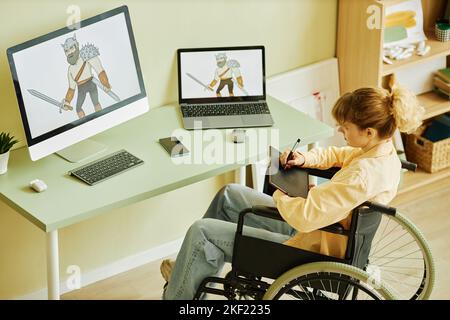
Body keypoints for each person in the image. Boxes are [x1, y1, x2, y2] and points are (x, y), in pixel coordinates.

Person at [160, 85, 424, 300]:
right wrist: (304, 159)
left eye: (345, 128)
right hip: (318, 227)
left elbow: (305, 216)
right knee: (229, 194)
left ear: (368, 132)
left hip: (310, 244)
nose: (341, 132)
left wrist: (280, 190)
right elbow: (339, 155)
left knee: (201, 231)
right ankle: (190, 274)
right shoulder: (383, 154)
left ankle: (179, 292)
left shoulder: (363, 175)